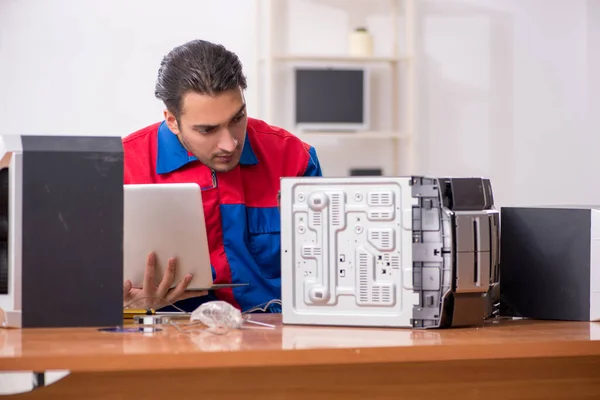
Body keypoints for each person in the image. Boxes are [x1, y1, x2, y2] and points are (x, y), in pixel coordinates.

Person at [121, 39, 323, 313]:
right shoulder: (124, 167)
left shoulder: (294, 158)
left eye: (237, 119)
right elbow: (89, 284)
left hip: (276, 338)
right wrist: (128, 305)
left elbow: (326, 272)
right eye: (207, 130)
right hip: (167, 339)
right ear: (172, 121)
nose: (229, 144)